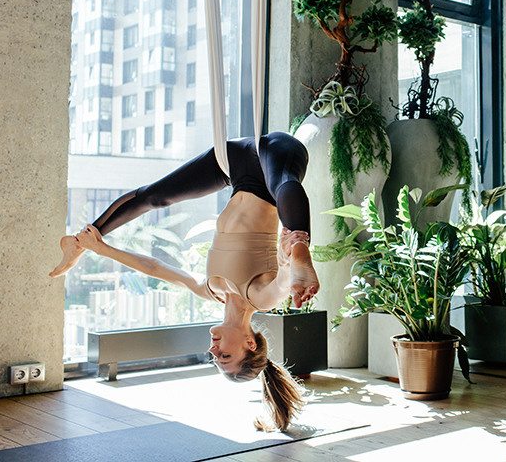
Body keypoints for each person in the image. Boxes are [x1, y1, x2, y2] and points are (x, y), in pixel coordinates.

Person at [50, 132, 319, 431]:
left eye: (214, 358)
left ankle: (79, 243)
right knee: (284, 183)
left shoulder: (211, 291)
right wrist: (289, 272)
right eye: (225, 356)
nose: (214, 351)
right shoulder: (260, 298)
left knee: (155, 196)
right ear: (250, 342)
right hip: (276, 161)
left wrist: (102, 248)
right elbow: (281, 285)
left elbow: (155, 267)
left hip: (236, 165)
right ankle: (299, 246)